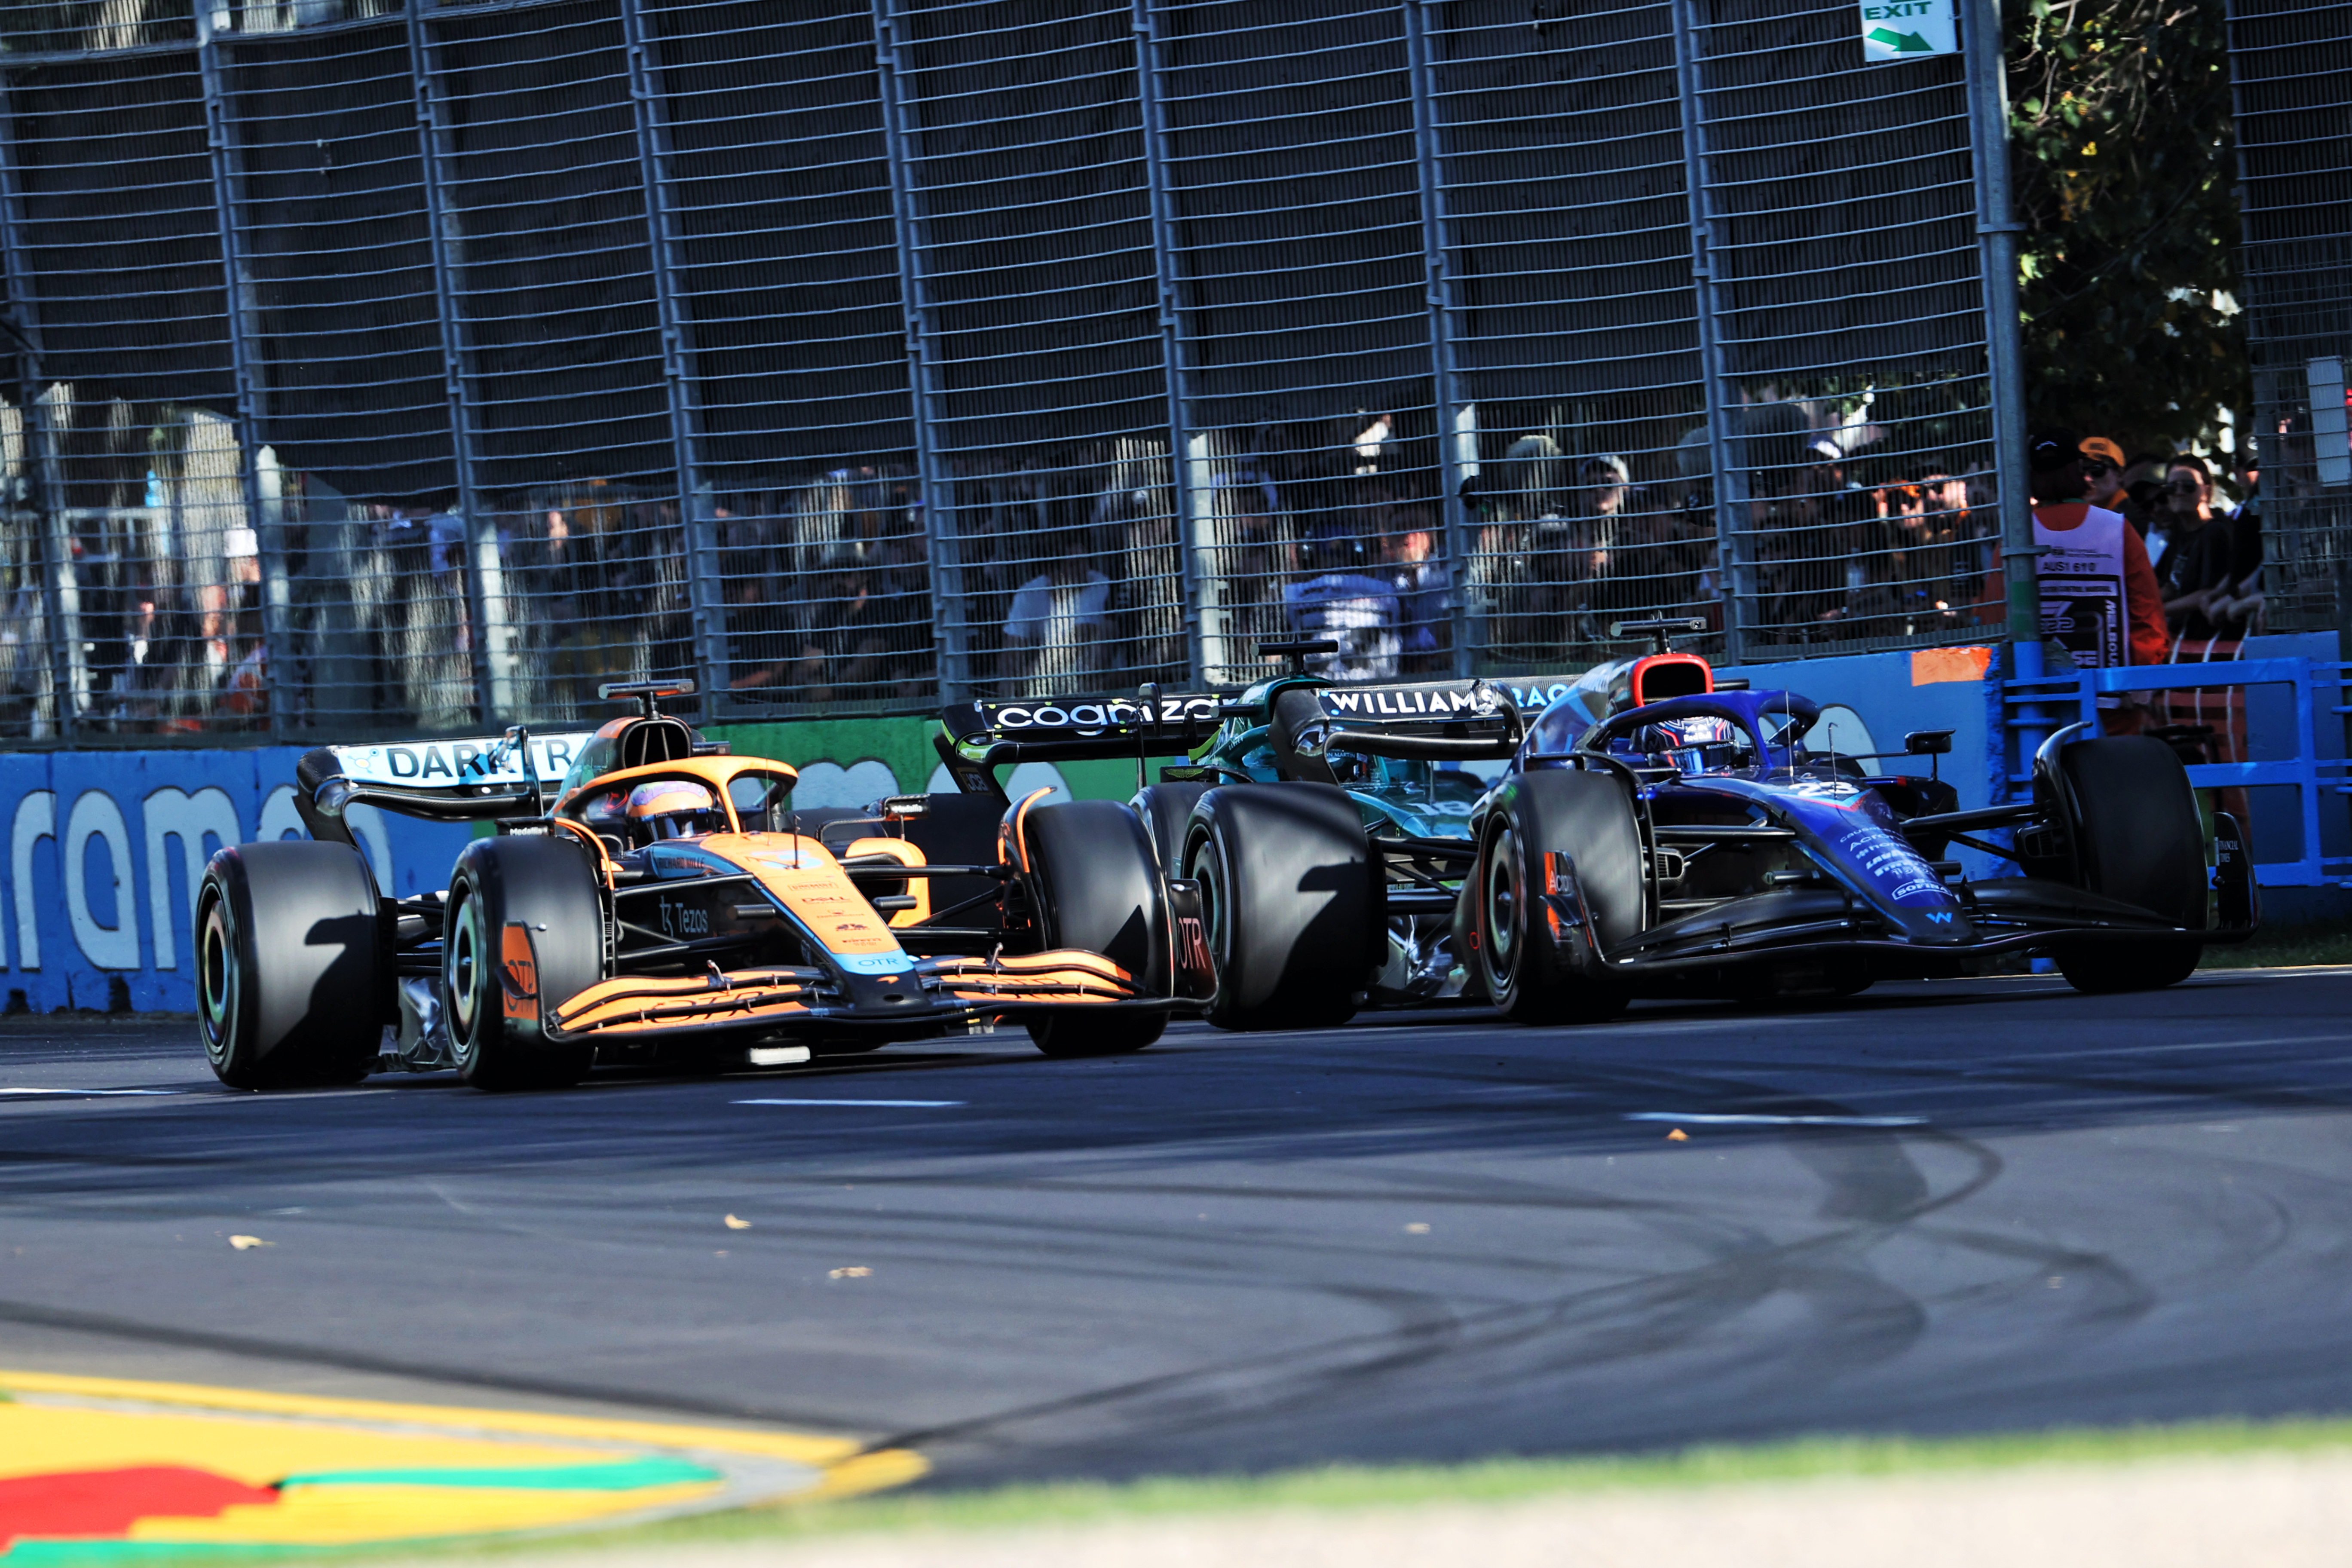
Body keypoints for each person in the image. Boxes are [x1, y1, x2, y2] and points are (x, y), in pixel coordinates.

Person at [1981, 429, 2166, 729]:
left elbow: (1994, 618)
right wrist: (2138, 685)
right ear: (2079, 471)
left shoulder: (2016, 539)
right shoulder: (2118, 529)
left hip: (2034, 702)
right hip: (2111, 701)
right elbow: (2148, 614)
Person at [2155, 455, 2234, 639]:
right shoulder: (2181, 534)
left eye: (2189, 486)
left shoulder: (2216, 532)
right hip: (2183, 640)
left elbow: (2208, 592)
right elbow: (2169, 585)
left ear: (2207, 491)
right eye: (2172, 487)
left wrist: (2158, 610)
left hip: (2210, 642)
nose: (2179, 492)